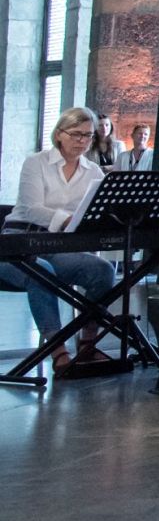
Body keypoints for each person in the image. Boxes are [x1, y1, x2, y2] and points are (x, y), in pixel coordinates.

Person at [0, 107, 114, 376]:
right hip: (17, 242)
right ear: (59, 134)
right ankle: (57, 349)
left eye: (88, 136)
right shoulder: (36, 162)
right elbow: (32, 209)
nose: (83, 141)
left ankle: (88, 342)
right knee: (42, 272)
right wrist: (72, 220)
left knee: (102, 270)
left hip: (57, 245)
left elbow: (97, 211)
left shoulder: (93, 171)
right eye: (76, 134)